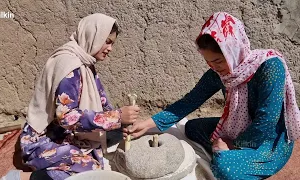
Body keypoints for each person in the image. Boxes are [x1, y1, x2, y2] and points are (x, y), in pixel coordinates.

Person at [125, 12, 300, 179]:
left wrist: (232, 144)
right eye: (208, 62)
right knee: (192, 128)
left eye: (217, 61)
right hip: (237, 127)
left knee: (225, 168)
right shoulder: (220, 74)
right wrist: (148, 124)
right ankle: (225, 151)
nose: (214, 68)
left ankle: (235, 156)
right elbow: (190, 101)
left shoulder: (269, 66)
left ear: (232, 50)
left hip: (267, 140)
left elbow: (267, 120)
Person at [1, 13, 140, 180]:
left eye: (112, 44)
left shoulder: (85, 62)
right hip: (48, 137)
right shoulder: (70, 66)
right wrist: (116, 117)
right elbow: (67, 118)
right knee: (89, 169)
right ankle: (22, 177)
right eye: (107, 42)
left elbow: (102, 102)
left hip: (67, 133)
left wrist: (121, 121)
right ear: (93, 36)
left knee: (115, 134)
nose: (110, 49)